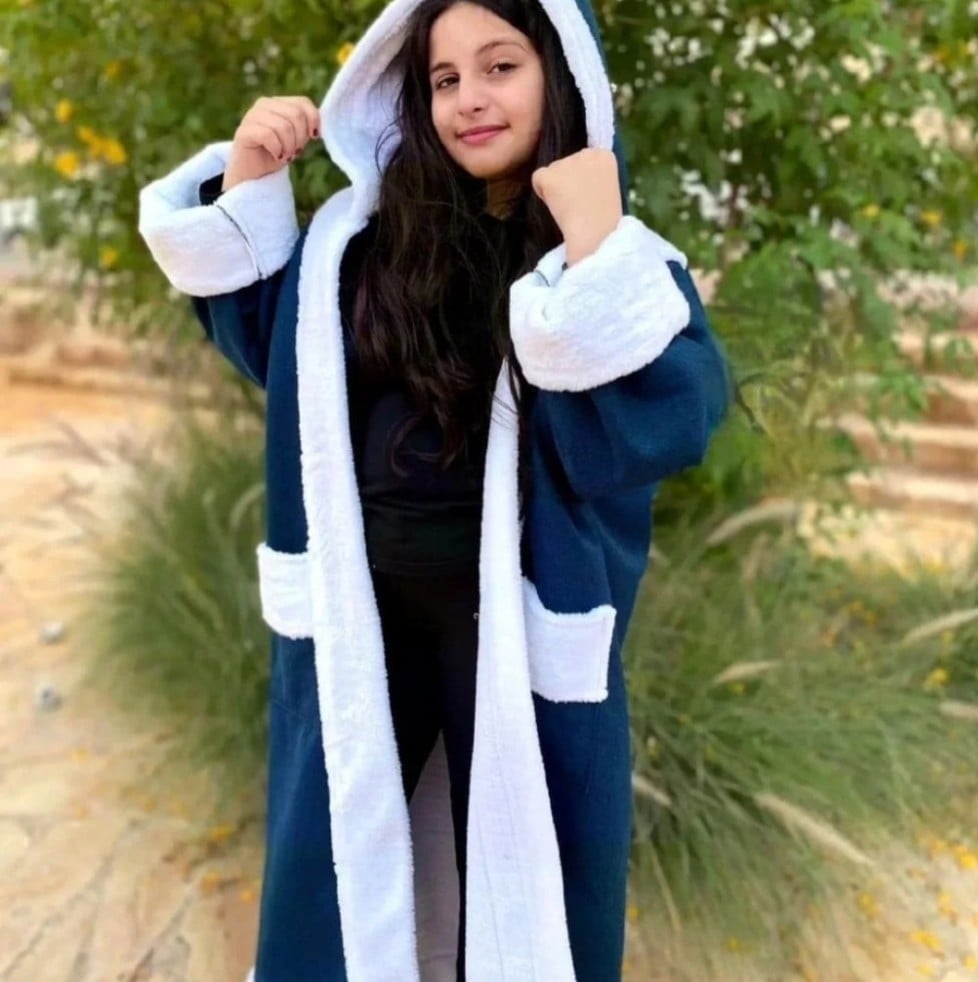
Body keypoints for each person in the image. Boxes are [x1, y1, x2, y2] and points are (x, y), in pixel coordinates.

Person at [138, 0, 731, 977]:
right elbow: (278, 353)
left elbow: (660, 424)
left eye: (500, 67)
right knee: (332, 860)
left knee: (522, 873)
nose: (469, 99)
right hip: (362, 603)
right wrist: (247, 178)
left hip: (509, 614)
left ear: (559, 75)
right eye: (444, 79)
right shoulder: (359, 241)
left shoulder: (605, 259)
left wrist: (595, 246)